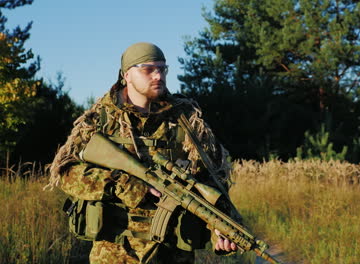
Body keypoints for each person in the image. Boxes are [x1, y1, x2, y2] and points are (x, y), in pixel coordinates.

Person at [47, 42, 239, 264]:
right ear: (127, 74)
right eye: (148, 69)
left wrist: (221, 226)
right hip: (114, 254)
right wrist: (123, 184)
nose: (158, 75)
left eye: (162, 69)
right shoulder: (101, 119)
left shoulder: (186, 119)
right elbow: (65, 172)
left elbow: (213, 178)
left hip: (173, 255)